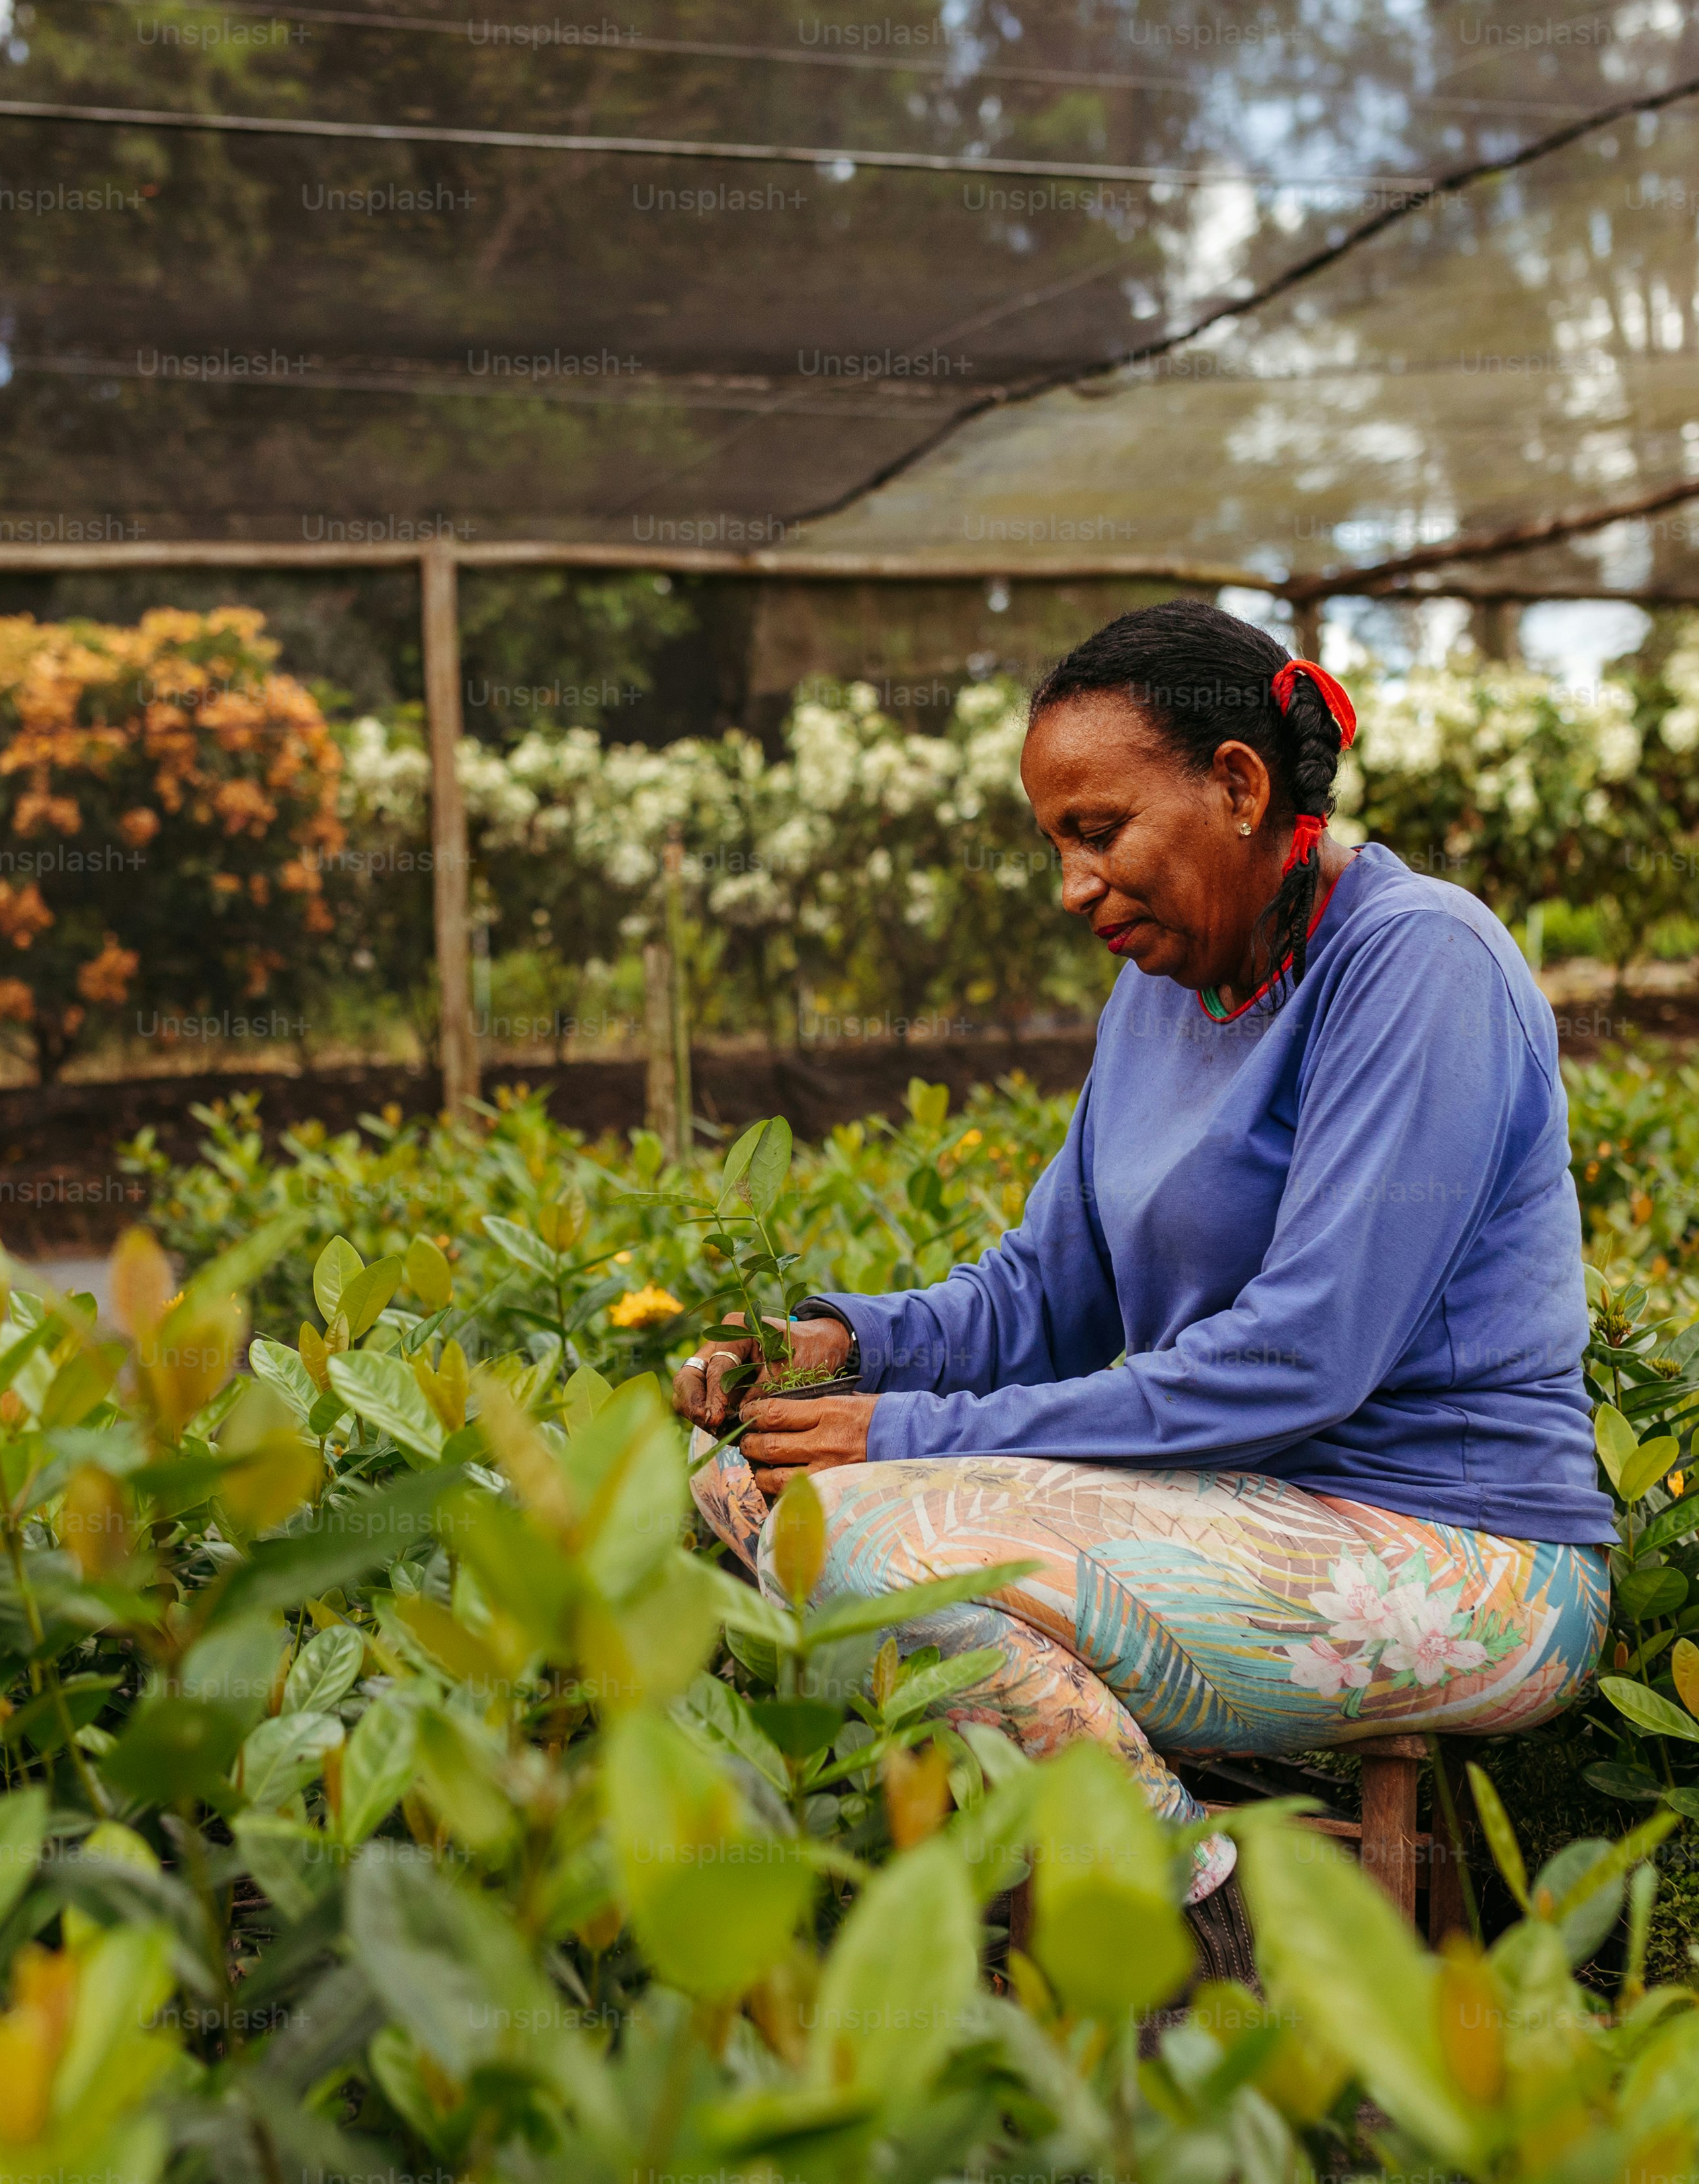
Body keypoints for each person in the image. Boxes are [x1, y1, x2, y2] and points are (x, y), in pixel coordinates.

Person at [673, 601, 1614, 1992]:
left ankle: (1199, 1954)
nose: (1069, 882)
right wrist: (830, 1345)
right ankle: (1070, 1912)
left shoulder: (1418, 962)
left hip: (1461, 1551)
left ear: (1237, 784)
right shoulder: (1160, 995)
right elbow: (1044, 1292)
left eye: (1097, 829)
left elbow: (1304, 1357)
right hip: (1241, 1502)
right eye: (1053, 840)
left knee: (863, 1543)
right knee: (729, 1485)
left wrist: (905, 1440)